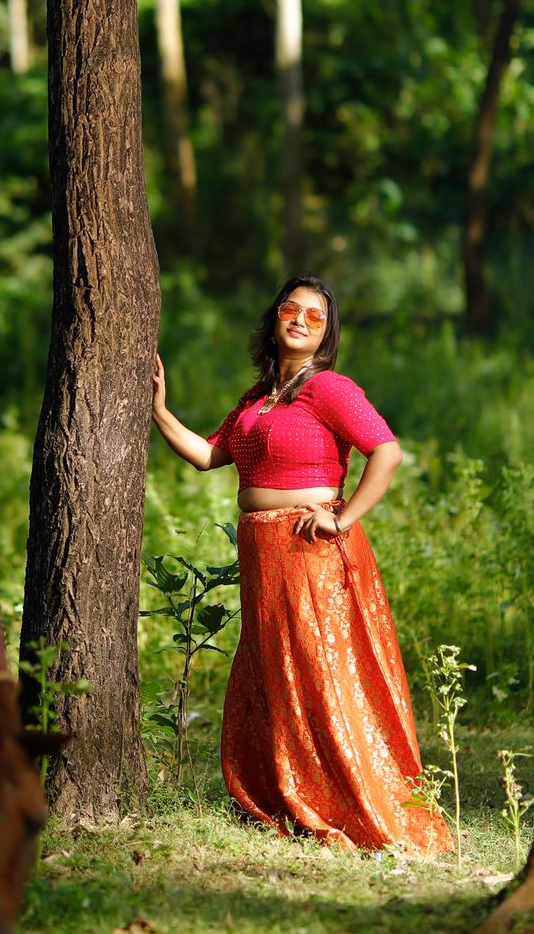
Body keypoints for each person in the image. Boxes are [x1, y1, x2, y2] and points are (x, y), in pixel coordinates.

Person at [151, 274, 452, 855]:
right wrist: (160, 411)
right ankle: (289, 789)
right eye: (291, 309)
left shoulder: (330, 389)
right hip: (265, 556)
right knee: (276, 672)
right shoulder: (255, 399)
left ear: (326, 334)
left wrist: (343, 518)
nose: (300, 321)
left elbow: (386, 452)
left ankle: (347, 798)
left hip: (312, 551)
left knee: (321, 673)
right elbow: (210, 456)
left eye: (315, 317)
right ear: (273, 319)